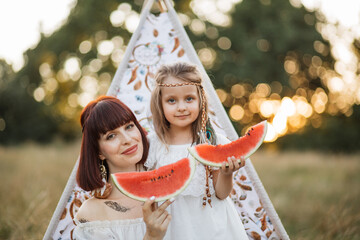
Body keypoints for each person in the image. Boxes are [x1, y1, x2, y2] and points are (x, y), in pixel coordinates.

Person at [147, 62, 249, 239]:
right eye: (171, 100)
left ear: (200, 100)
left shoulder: (214, 142)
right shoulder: (153, 144)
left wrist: (227, 174)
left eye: (189, 99)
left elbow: (221, 194)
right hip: (171, 227)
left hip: (212, 227)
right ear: (159, 103)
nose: (181, 107)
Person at [73, 96, 173, 240]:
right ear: (99, 152)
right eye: (111, 136)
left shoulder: (169, 183)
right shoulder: (92, 214)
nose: (127, 139)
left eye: (129, 126)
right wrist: (151, 237)